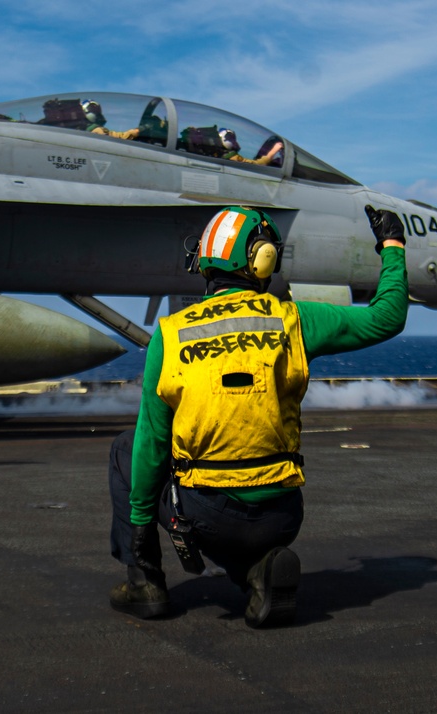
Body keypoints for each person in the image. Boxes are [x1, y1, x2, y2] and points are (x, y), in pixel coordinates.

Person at [108, 204, 409, 627]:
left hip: (205, 516)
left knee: (127, 449)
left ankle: (145, 583)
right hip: (282, 516)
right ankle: (256, 573)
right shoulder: (294, 320)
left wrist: (141, 529)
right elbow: (387, 317)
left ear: (206, 262)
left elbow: (151, 441)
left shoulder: (171, 334)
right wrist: (392, 245)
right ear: (263, 258)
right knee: (237, 506)